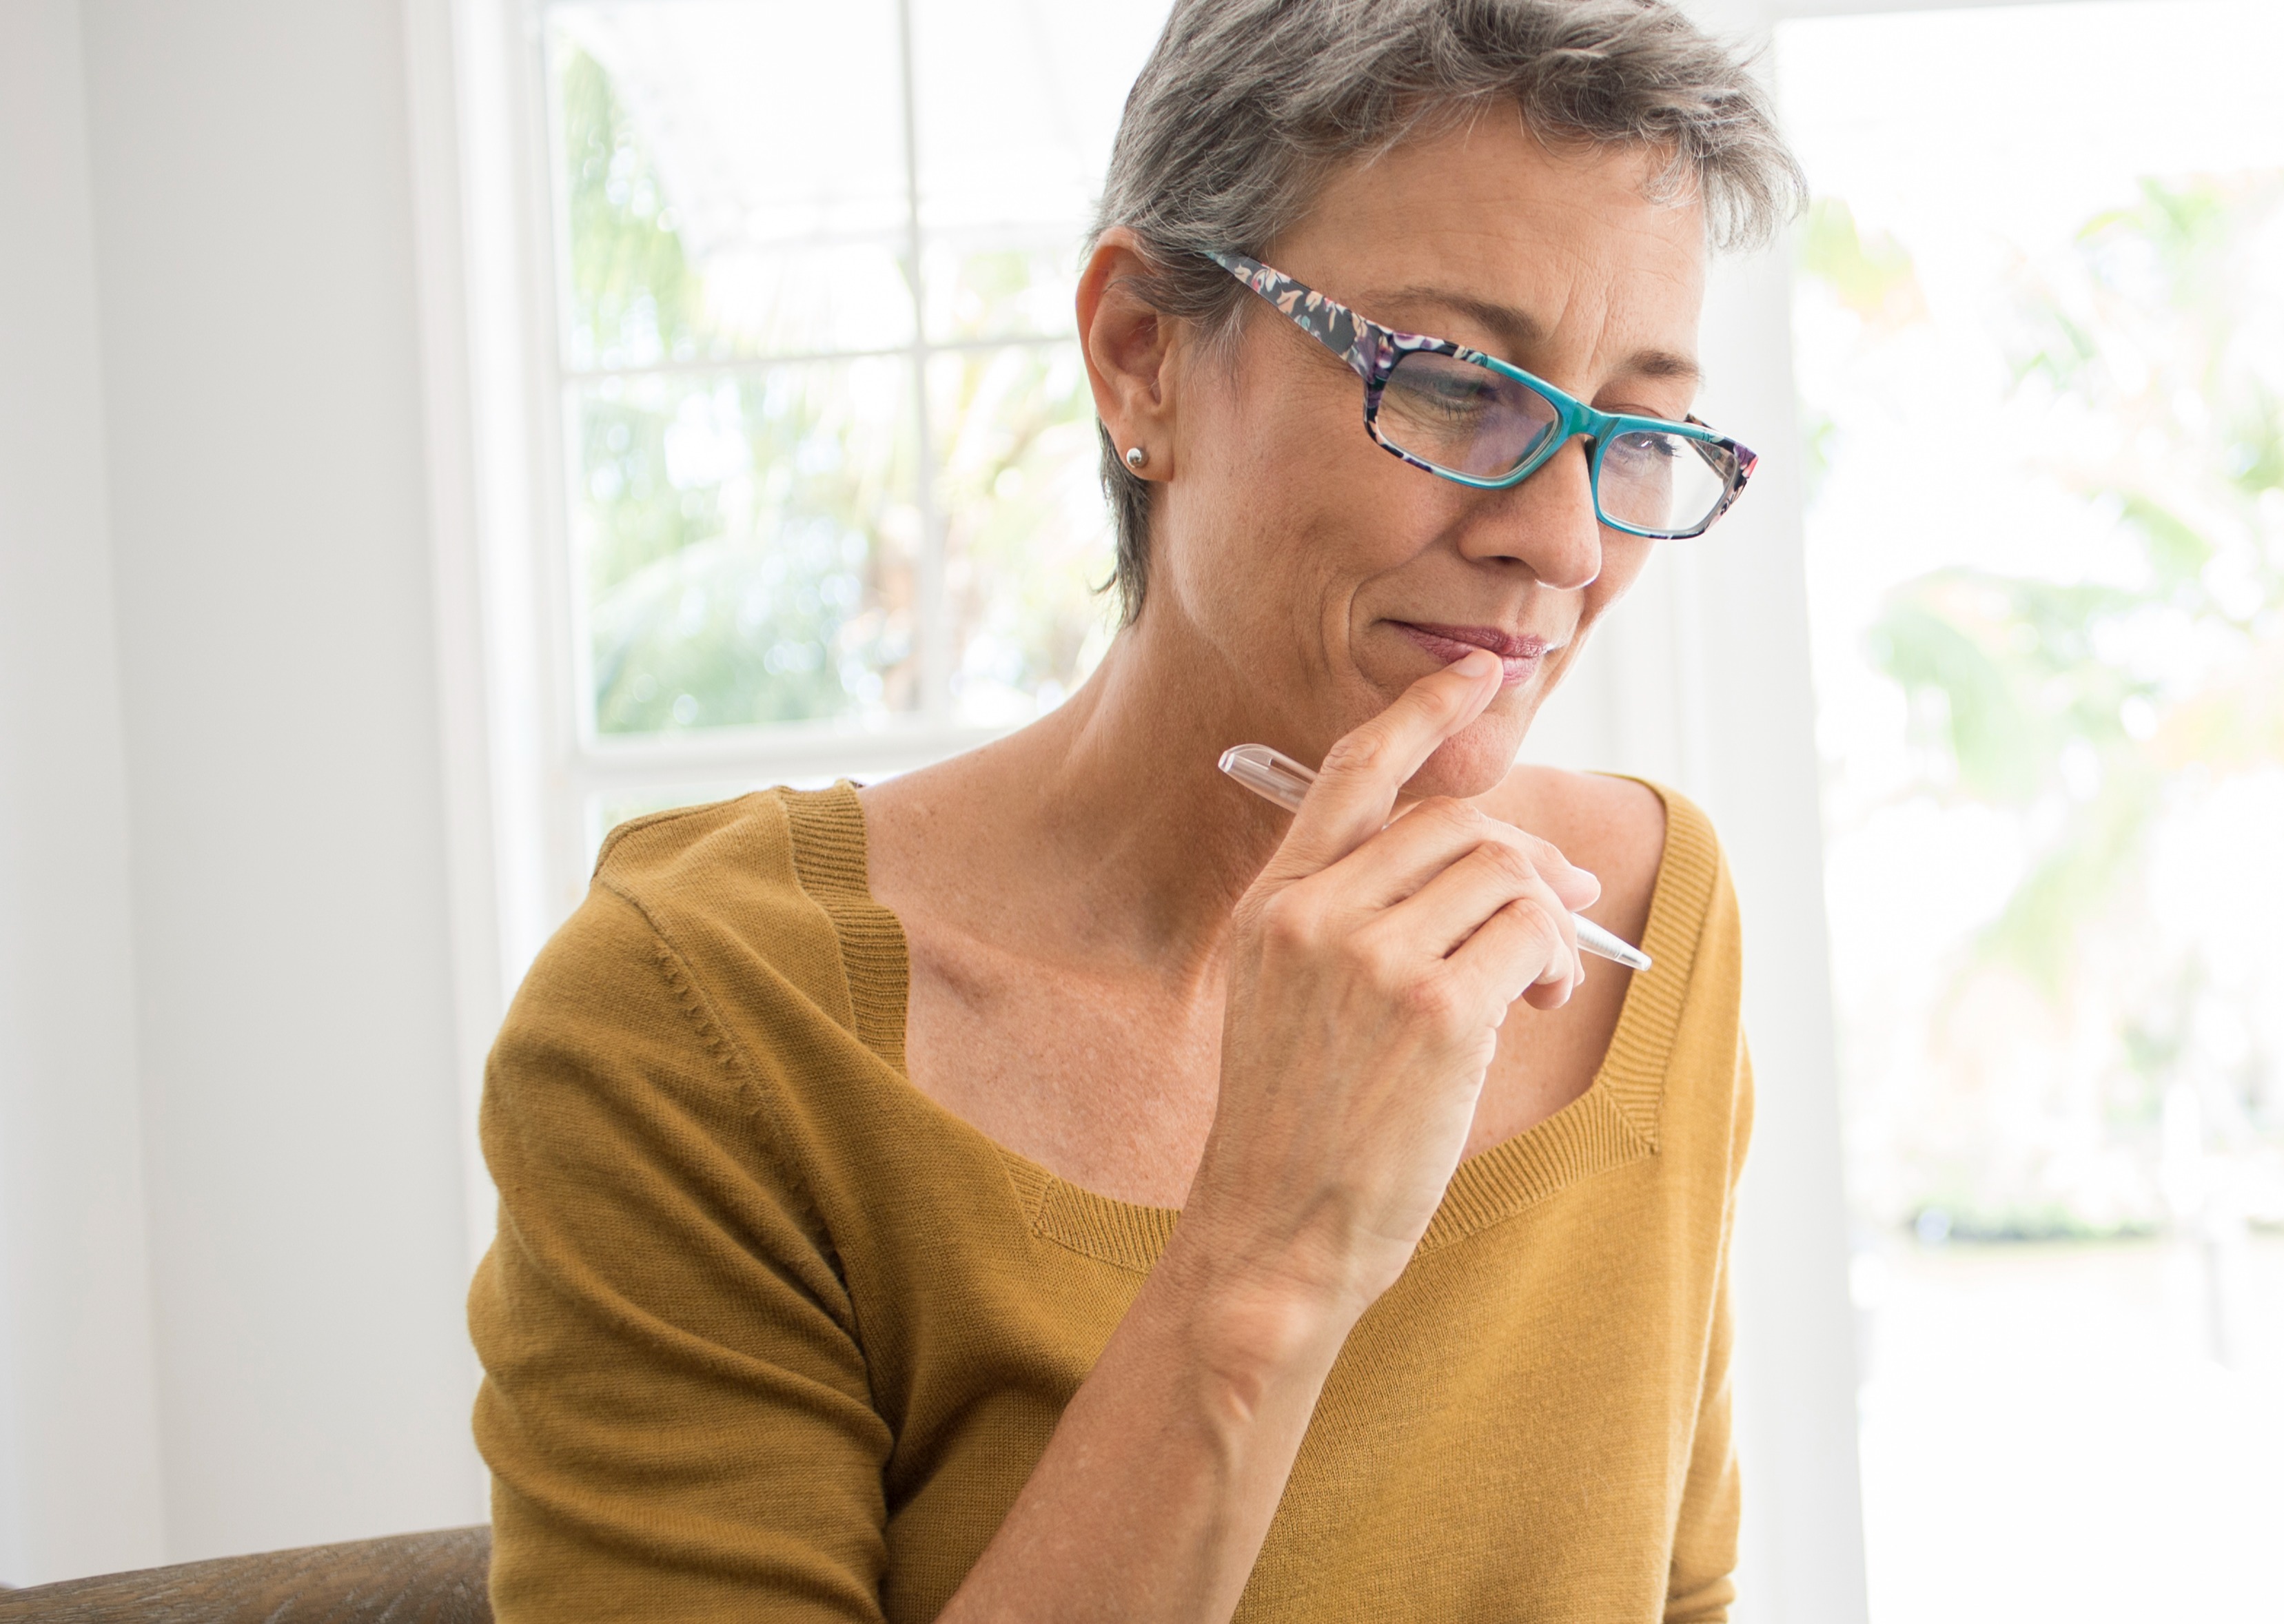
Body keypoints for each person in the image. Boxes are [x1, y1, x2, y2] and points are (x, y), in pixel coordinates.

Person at [465, 2, 1802, 1618]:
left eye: (1635, 430)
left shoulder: (1647, 922)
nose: (1566, 549)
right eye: (1457, 384)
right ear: (1140, 354)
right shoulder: (703, 1026)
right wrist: (1267, 1262)